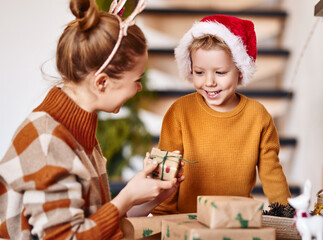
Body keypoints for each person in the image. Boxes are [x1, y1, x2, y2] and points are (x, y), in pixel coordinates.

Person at [0, 0, 184, 239]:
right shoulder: (48, 140)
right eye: (136, 79)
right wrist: (126, 196)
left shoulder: (76, 131)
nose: (139, 88)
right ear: (102, 82)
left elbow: (93, 223)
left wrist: (149, 199)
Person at [152, 15, 291, 215]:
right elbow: (167, 171)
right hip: (186, 222)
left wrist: (287, 215)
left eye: (220, 73)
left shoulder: (258, 116)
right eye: (199, 72)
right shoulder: (179, 112)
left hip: (237, 221)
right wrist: (160, 220)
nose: (209, 82)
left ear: (240, 71)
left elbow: (272, 172)